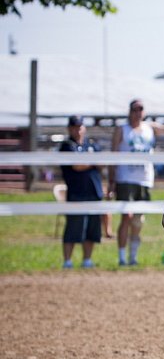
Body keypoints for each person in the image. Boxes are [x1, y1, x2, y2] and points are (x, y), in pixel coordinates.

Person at [109, 99, 164, 266]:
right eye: (135, 109)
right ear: (130, 111)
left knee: (138, 221)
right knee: (127, 217)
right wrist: (111, 181)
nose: (138, 112)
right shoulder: (122, 130)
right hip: (125, 178)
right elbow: (112, 156)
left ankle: (133, 257)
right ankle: (121, 257)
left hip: (144, 179)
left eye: (141, 109)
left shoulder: (150, 128)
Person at [59, 115, 102, 269]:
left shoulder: (90, 144)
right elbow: (77, 165)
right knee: (73, 227)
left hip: (93, 191)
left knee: (92, 228)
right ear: (69, 128)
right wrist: (93, 161)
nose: (78, 130)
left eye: (80, 126)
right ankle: (67, 261)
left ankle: (87, 260)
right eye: (74, 127)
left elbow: (101, 162)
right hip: (76, 192)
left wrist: (90, 161)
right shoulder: (66, 146)